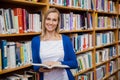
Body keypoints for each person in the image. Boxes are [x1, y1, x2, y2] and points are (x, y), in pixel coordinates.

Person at [31, 8, 78, 80]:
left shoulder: (65, 39)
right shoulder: (35, 41)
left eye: (54, 20)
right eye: (48, 19)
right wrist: (41, 69)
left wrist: (58, 64)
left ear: (58, 23)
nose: (50, 23)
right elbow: (35, 67)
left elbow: (74, 63)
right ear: (44, 21)